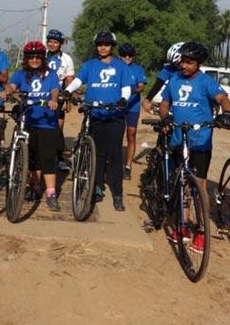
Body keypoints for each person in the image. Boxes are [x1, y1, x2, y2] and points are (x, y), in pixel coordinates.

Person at [158, 42, 230, 253]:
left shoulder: (207, 82)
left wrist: (226, 113)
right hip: (177, 140)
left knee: (198, 186)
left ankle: (201, 231)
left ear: (198, 64)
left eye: (189, 62)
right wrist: (166, 117)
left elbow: (224, 100)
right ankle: (183, 225)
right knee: (180, 184)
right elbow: (164, 104)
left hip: (200, 142)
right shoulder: (174, 80)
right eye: (182, 61)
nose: (184, 65)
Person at [63, 31, 132, 211]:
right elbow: (78, 80)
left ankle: (117, 194)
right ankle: (98, 187)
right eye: (100, 44)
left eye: (107, 44)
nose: (103, 47)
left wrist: (124, 99)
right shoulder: (90, 65)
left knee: (115, 155)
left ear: (112, 46)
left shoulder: (121, 66)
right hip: (95, 115)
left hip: (115, 115)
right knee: (98, 154)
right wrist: (67, 91)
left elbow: (126, 87)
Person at [2, 40, 62, 211]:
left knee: (48, 159)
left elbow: (55, 90)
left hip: (47, 122)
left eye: (37, 57)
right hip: (28, 121)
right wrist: (5, 92)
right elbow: (12, 86)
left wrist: (54, 100)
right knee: (32, 159)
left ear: (43, 58)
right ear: (26, 58)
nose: (34, 60)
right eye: (31, 57)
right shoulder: (21, 74)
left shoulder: (51, 74)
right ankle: (36, 188)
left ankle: (51, 193)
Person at [46, 29, 75, 171]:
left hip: (59, 98)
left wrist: (68, 100)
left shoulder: (67, 59)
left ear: (61, 44)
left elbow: (69, 80)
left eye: (55, 42)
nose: (52, 44)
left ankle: (59, 158)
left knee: (58, 128)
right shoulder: (41, 56)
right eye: (50, 41)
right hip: (41, 95)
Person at [118, 43, 147, 180]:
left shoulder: (138, 69)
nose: (127, 58)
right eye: (124, 55)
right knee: (116, 133)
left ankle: (128, 166)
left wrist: (133, 91)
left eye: (130, 56)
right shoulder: (115, 68)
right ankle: (113, 161)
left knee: (131, 134)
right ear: (120, 56)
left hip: (133, 106)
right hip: (117, 105)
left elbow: (142, 86)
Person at [142, 41, 184, 113]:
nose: (176, 67)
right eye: (173, 64)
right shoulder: (169, 68)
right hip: (171, 106)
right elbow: (158, 84)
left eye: (178, 63)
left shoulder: (198, 74)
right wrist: (148, 99)